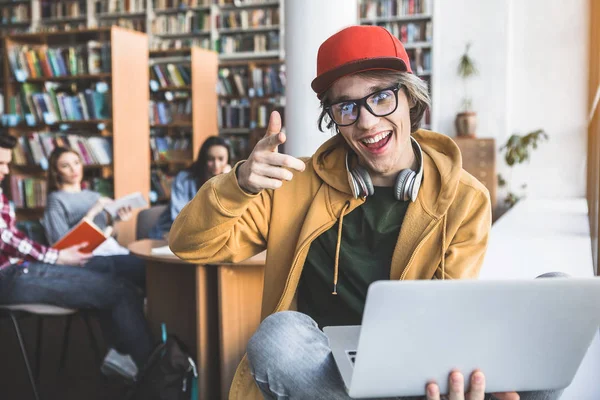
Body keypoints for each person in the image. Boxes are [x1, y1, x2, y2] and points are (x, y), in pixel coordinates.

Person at [169, 26, 561, 400]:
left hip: (416, 364)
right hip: (330, 375)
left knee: (557, 301)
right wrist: (239, 184)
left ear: (411, 98)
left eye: (380, 97)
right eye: (347, 107)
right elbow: (190, 244)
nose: (368, 122)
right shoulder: (292, 185)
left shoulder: (464, 197)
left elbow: (446, 316)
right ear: (334, 118)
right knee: (277, 338)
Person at [0, 135, 153, 378]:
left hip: (22, 268)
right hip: (10, 276)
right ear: (56, 172)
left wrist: (112, 222)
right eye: (1, 164)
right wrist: (55, 256)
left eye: (7, 163)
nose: (6, 171)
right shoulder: (56, 200)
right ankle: (154, 373)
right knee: (118, 287)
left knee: (120, 277)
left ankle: (129, 357)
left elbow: (11, 238)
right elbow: (6, 238)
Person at [41, 146, 146, 291]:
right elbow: (60, 244)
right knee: (140, 267)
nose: (74, 169)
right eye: (66, 166)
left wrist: (117, 221)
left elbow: (107, 235)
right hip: (84, 258)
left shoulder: (94, 196)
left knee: (149, 266)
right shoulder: (56, 199)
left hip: (108, 249)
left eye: (76, 163)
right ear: (56, 172)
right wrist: (92, 213)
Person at [148, 135, 232, 239]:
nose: (216, 165)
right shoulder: (184, 179)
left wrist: (226, 183)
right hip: (170, 235)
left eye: (221, 159)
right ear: (203, 159)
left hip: (206, 238)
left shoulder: (230, 182)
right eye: (211, 159)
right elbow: (180, 219)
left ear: (228, 160)